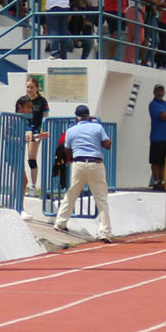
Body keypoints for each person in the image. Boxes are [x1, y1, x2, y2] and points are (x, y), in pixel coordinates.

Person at [52, 104, 114, 242]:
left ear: (76, 117)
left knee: (72, 193)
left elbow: (67, 150)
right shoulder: (97, 127)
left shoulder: (71, 130)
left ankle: (60, 222)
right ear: (88, 116)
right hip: (95, 163)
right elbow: (107, 144)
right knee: (101, 198)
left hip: (78, 163)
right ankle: (105, 232)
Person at [22, 76, 49, 193]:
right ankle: (21, 184)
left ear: (37, 88)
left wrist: (41, 132)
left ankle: (33, 186)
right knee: (19, 158)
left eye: (32, 87)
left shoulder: (42, 101)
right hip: (24, 131)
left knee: (31, 158)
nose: (29, 89)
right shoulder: (23, 100)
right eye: (28, 87)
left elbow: (45, 117)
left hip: (36, 132)